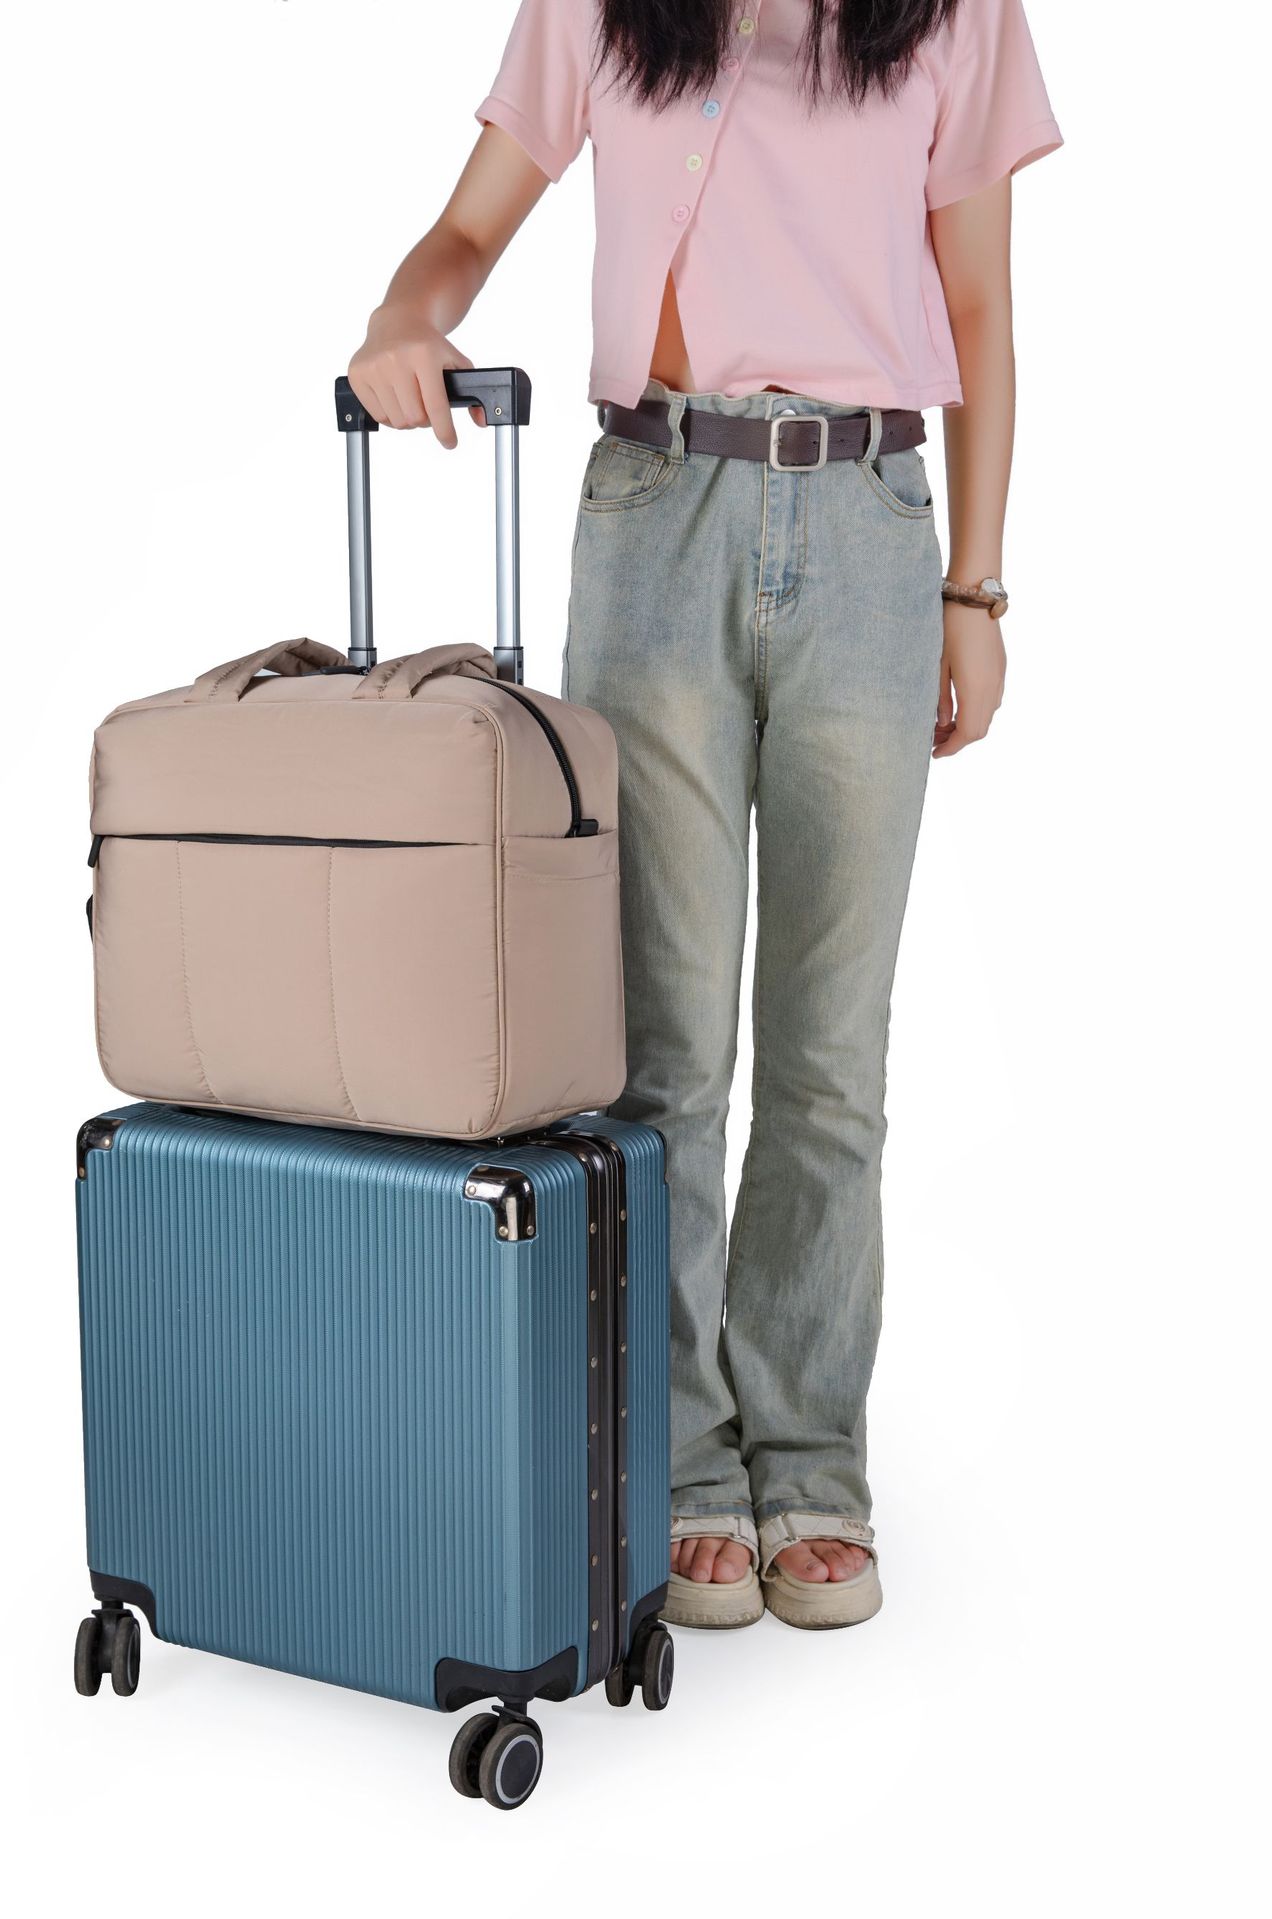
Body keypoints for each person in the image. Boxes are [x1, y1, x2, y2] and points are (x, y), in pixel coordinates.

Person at [349, 0, 1061, 1631]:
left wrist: (977, 590)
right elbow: (469, 229)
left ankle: (808, 1454)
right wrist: (403, 314)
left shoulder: (956, 14)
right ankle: (675, 1461)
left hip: (871, 527)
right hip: (653, 515)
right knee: (662, 1049)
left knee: (831, 1051)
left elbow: (979, 299)